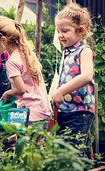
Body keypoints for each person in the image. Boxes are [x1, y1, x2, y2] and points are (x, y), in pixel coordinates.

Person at [0, 16, 51, 129]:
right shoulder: (25, 52)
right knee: (39, 145)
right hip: (42, 108)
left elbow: (20, 89)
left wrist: (8, 93)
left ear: (3, 40)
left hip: (30, 113)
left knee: (28, 145)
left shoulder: (12, 62)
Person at [52, 3, 95, 147]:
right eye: (58, 31)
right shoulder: (67, 51)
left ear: (80, 31)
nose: (59, 35)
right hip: (65, 109)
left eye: (64, 31)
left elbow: (87, 75)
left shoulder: (84, 51)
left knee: (73, 151)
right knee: (61, 150)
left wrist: (61, 91)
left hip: (80, 111)